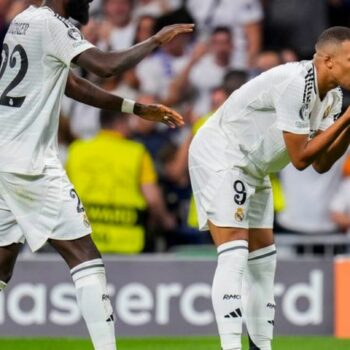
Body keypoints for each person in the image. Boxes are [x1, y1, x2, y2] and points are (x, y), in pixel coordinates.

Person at [0, 2, 193, 350]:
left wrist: (133, 108)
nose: (88, 1)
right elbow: (107, 66)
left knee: (1, 265)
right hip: (29, 165)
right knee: (85, 256)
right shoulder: (51, 24)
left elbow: (71, 84)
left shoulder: (23, 20)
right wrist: (156, 40)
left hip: (2, 158)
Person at [188, 26, 350, 350]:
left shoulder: (331, 97)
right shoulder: (296, 83)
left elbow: (321, 163)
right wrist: (347, 119)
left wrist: (347, 123)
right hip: (222, 155)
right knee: (234, 254)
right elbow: (301, 158)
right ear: (328, 60)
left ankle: (262, 347)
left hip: (257, 169)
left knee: (264, 263)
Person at [66, 109, 175, 254]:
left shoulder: (76, 150)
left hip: (85, 243)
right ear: (121, 122)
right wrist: (167, 221)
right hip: (128, 244)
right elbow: (153, 200)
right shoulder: (137, 152)